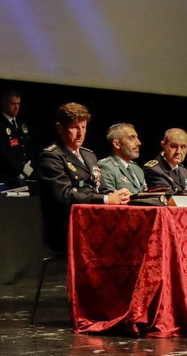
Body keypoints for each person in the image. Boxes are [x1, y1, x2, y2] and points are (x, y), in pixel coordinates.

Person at [34, 103, 131, 252]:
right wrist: (106, 200)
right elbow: (64, 197)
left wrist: (118, 196)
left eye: (83, 127)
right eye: (74, 128)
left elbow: (101, 188)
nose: (80, 133)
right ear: (60, 128)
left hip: (95, 222)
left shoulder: (89, 155)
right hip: (68, 228)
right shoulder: (51, 157)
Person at [0, 86, 32, 186]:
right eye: (13, 104)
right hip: (5, 178)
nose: (16, 107)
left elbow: (28, 148)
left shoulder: (21, 123)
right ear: (4, 103)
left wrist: (29, 166)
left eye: (18, 104)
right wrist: (20, 170)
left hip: (24, 177)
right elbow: (1, 153)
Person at [142, 128, 187, 194]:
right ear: (163, 145)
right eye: (174, 146)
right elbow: (169, 197)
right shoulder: (153, 169)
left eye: (183, 147)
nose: (178, 152)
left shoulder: (184, 171)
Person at [98, 123, 147, 193]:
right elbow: (109, 196)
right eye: (131, 138)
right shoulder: (106, 167)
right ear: (117, 144)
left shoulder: (137, 169)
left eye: (137, 138)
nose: (139, 143)